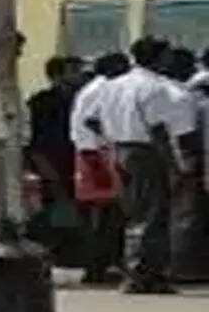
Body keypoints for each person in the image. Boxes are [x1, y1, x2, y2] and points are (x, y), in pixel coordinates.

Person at [101, 37, 200, 294]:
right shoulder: (155, 88)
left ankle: (135, 269)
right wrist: (175, 163)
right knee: (153, 213)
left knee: (133, 212)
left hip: (118, 148)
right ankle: (145, 274)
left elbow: (97, 120)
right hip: (146, 152)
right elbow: (158, 129)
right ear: (158, 57)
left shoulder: (114, 85)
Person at [70, 52, 129, 285]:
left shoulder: (94, 88)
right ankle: (97, 265)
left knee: (105, 212)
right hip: (95, 154)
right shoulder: (102, 88)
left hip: (92, 152)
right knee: (104, 212)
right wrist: (113, 135)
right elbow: (91, 120)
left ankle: (102, 262)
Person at [26, 56, 85, 258]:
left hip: (78, 161)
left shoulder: (82, 100)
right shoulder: (42, 103)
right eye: (73, 71)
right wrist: (44, 167)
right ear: (57, 75)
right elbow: (35, 141)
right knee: (54, 206)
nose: (80, 76)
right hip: (52, 162)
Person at [161, 46, 209, 283]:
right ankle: (185, 267)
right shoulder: (188, 94)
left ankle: (180, 265)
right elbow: (186, 134)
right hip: (184, 159)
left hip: (169, 157)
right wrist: (188, 161)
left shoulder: (174, 91)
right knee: (186, 214)